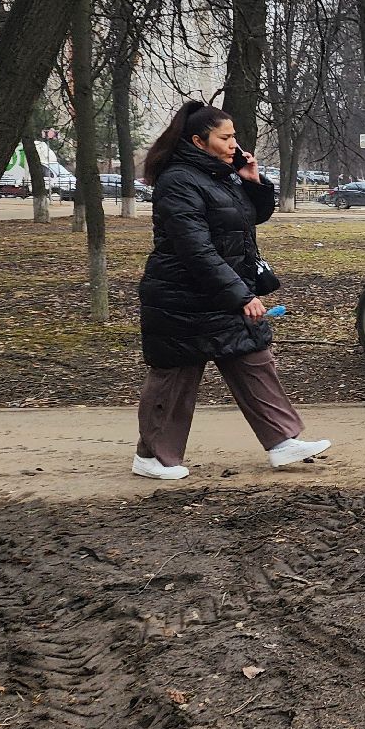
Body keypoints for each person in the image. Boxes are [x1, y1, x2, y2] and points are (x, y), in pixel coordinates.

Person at [132, 101, 332, 479]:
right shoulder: (178, 181)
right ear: (198, 140)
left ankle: (282, 442)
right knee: (174, 378)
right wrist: (240, 295)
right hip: (181, 298)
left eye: (233, 136)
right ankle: (151, 457)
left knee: (253, 360)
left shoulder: (221, 176)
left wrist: (253, 181)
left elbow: (249, 217)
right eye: (225, 137)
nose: (233, 144)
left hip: (219, 294)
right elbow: (195, 248)